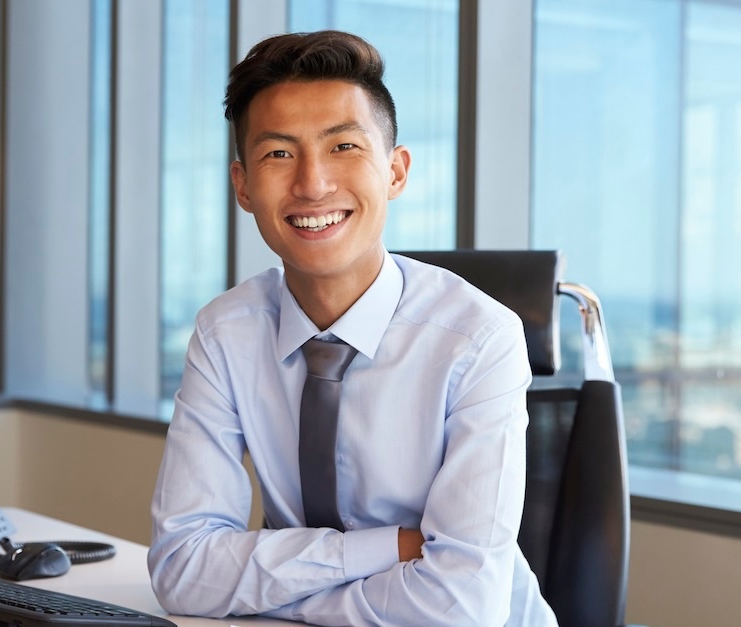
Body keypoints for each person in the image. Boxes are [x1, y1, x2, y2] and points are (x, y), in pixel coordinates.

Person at [148, 30, 557, 626]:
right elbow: (182, 571)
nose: (312, 184)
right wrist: (387, 548)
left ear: (394, 172)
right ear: (242, 185)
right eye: (278, 154)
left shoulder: (479, 340)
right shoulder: (225, 334)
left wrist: (276, 592)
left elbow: (459, 609)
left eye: (343, 147)